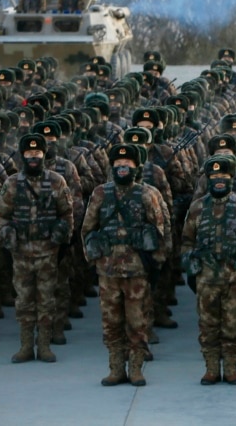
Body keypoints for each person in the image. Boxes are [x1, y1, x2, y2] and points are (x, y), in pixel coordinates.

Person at [81, 143, 168, 386]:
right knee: (111, 322)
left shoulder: (146, 194)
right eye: (118, 164)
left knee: (137, 321)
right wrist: (93, 260)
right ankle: (116, 367)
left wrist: (155, 266)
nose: (122, 167)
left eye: (127, 163)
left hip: (137, 270)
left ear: (136, 167)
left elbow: (159, 230)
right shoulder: (100, 193)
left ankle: (137, 368)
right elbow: (88, 228)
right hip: (108, 271)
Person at [181, 154, 236, 385]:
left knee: (233, 324)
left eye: (223, 176)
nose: (219, 180)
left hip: (234, 279)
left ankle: (231, 367)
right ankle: (211, 368)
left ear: (230, 178)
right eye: (214, 176)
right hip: (206, 278)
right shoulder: (197, 208)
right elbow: (186, 241)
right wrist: (191, 262)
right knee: (208, 325)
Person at [0, 133, 73, 364]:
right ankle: (26, 345)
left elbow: (67, 213)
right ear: (22, 156)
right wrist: (7, 236)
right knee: (24, 300)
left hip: (48, 251)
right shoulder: (11, 183)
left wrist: (61, 235)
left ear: (44, 154)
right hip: (21, 252)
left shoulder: (57, 181)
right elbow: (2, 216)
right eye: (29, 154)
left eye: (37, 153)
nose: (33, 157)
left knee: (47, 300)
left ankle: (45, 346)